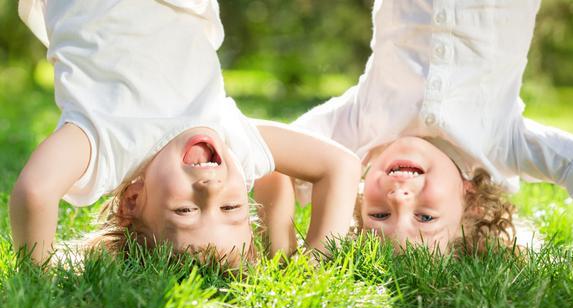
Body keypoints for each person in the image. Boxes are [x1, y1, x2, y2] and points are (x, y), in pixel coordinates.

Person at [10, 0, 360, 266]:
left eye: (186, 211)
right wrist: (315, 264)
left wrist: (38, 273)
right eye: (231, 206)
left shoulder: (111, 144)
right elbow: (339, 165)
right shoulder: (228, 136)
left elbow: (35, 191)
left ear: (132, 200)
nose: (210, 190)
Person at [293, 0, 573, 254]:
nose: (399, 198)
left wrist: (285, 246)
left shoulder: (361, 124)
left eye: (379, 214)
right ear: (472, 203)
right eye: (425, 218)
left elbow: (269, 159)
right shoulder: (502, 143)